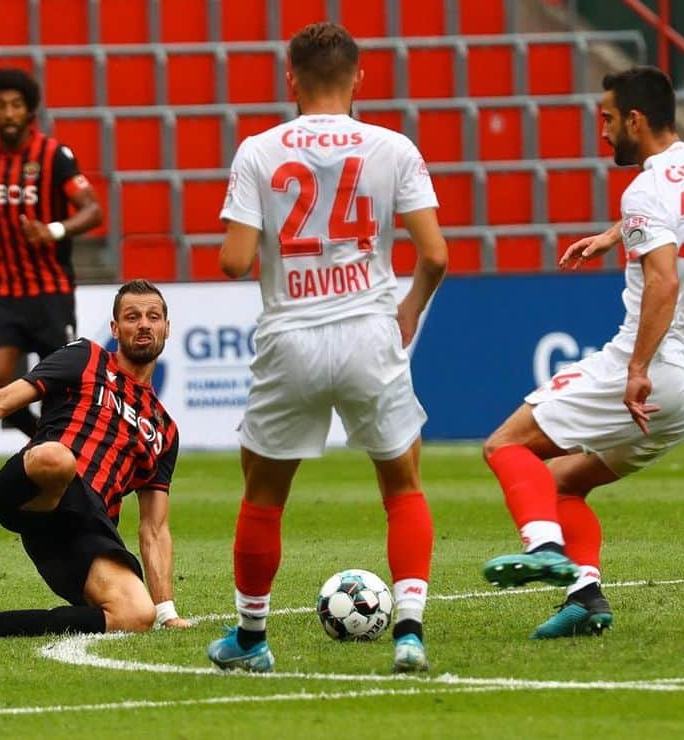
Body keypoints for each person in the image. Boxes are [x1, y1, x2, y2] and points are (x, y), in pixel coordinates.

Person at [481, 66, 684, 639]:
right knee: (564, 482)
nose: (604, 133)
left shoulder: (644, 188)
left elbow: (661, 282)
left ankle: (542, 545)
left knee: (505, 445)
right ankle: (586, 598)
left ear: (635, 119)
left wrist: (635, 370)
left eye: (608, 119)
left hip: (650, 372)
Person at [204, 22, 448, 673]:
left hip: (291, 337)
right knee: (402, 483)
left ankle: (252, 641)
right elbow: (435, 254)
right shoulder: (392, 147)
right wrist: (409, 308)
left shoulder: (258, 151)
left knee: (263, 491)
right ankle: (410, 633)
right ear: (358, 78)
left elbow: (234, 262)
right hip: (371, 331)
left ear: (291, 79)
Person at [0, 280, 191, 641]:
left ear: (166, 328)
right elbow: (0, 401)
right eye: (132, 317)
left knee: (136, 615)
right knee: (57, 457)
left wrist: (166, 611)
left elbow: (154, 528)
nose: (143, 325)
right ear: (115, 328)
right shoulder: (86, 357)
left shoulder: (165, 430)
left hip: (88, 529)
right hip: (42, 488)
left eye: (153, 317)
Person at [0, 68, 103, 439]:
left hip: (50, 289)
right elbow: (1, 212)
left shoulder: (54, 156)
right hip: (5, 290)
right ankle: (43, 438)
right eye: (1, 106)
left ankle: (68, 449)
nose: (9, 113)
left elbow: (92, 210)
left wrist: (53, 230)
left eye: (17, 106)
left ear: (30, 112)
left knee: (61, 386)